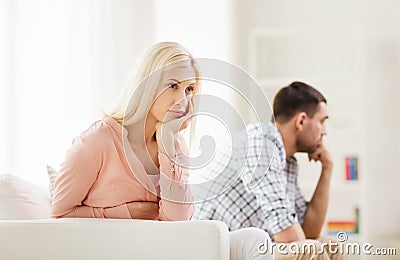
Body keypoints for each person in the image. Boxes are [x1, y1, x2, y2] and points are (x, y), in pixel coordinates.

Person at [51, 42, 273, 260]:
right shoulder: (97, 141)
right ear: (147, 85)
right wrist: (127, 213)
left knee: (255, 239)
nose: (183, 99)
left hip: (165, 249)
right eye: (172, 86)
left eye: (189, 89)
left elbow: (178, 222)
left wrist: (168, 144)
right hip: (121, 251)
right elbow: (59, 215)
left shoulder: (175, 145)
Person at [194, 81, 347, 259]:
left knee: (331, 245)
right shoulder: (261, 144)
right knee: (310, 250)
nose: (325, 132)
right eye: (322, 122)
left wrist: (327, 169)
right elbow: (289, 237)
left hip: (249, 247)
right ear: (302, 121)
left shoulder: (288, 163)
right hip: (218, 248)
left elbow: (309, 231)